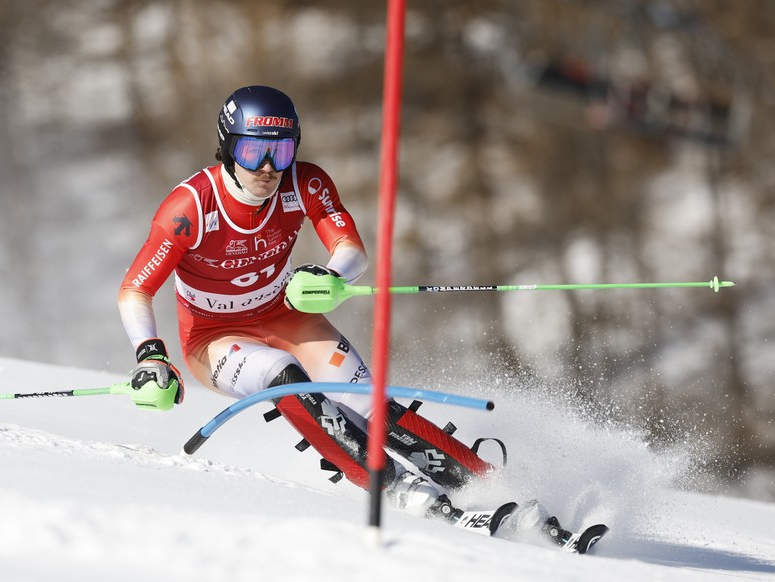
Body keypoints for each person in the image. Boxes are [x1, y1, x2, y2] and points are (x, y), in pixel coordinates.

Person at [117, 85, 573, 543]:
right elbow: (135, 290)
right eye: (254, 150)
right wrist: (151, 355)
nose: (269, 167)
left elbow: (351, 250)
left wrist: (333, 277)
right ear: (228, 147)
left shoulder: (305, 183)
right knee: (285, 377)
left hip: (285, 315)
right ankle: (395, 487)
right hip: (213, 338)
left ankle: (487, 485)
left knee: (367, 404)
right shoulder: (191, 207)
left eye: (282, 150)